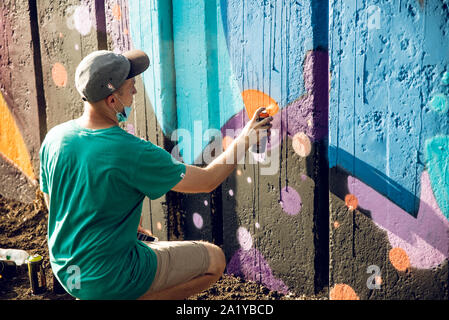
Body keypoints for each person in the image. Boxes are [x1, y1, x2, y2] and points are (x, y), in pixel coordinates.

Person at [39, 49, 273, 300]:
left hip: (67, 271)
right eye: (130, 87)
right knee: (214, 260)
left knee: (143, 239)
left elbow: (53, 201)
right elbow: (207, 181)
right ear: (111, 101)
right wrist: (246, 138)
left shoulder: (55, 138)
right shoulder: (130, 150)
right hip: (108, 278)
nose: (135, 92)